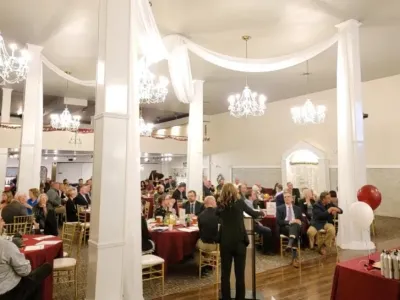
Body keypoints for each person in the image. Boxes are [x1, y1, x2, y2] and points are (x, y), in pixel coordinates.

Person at [217, 183, 264, 300]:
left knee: (225, 274)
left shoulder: (220, 205)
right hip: (239, 241)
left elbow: (216, 215)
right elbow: (253, 213)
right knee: (240, 274)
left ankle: (226, 298)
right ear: (235, 191)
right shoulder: (240, 203)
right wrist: (262, 212)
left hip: (225, 242)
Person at [276, 190, 302, 268]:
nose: (287, 198)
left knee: (295, 226)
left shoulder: (297, 208)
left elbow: (302, 220)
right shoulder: (279, 208)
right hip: (285, 228)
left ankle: (289, 244)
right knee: (294, 229)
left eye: (288, 197)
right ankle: (294, 259)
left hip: (295, 227)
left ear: (292, 199)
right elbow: (279, 221)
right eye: (285, 197)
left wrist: (299, 221)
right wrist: (290, 221)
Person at [245, 190, 273, 254]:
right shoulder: (248, 203)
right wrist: (259, 216)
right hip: (250, 224)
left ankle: (261, 247)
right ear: (250, 196)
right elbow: (252, 215)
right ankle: (266, 250)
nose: (256, 196)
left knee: (265, 226)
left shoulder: (251, 202)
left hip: (252, 222)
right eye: (254, 194)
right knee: (268, 230)